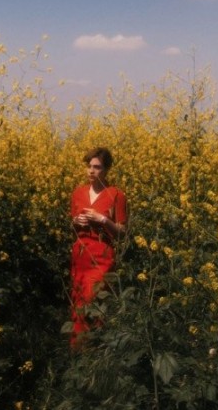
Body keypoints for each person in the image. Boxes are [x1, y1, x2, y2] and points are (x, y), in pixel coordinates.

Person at [70, 146, 127, 345]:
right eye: (89, 166)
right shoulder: (78, 193)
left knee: (94, 300)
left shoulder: (116, 195)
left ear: (107, 170)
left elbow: (122, 233)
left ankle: (97, 348)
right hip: (80, 254)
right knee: (78, 303)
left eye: (97, 167)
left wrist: (103, 220)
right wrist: (76, 222)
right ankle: (79, 352)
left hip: (102, 255)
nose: (91, 171)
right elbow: (73, 225)